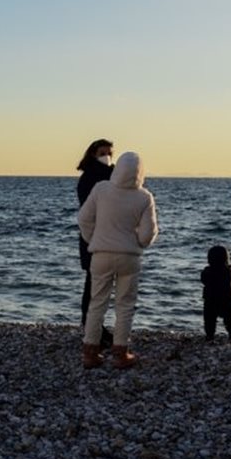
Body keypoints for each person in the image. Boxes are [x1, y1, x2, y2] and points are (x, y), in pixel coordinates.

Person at [77, 151, 159, 369]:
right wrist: (139, 244)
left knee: (97, 303)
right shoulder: (144, 197)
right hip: (129, 257)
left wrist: (93, 239)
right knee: (125, 305)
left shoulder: (101, 189)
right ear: (140, 172)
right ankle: (121, 353)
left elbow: (84, 219)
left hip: (101, 254)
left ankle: (90, 353)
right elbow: (147, 235)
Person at [76, 139, 116, 348]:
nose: (107, 156)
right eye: (103, 152)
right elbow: (87, 211)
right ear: (93, 153)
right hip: (93, 238)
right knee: (94, 286)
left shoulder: (111, 175)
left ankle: (96, 328)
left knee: (101, 286)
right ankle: (91, 329)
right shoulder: (89, 178)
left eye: (109, 152)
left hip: (106, 237)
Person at [201, 245, 231, 343]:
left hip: (210, 299)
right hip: (226, 300)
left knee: (209, 319)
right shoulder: (229, 272)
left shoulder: (207, 271)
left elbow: (203, 280)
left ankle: (209, 336)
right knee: (230, 319)